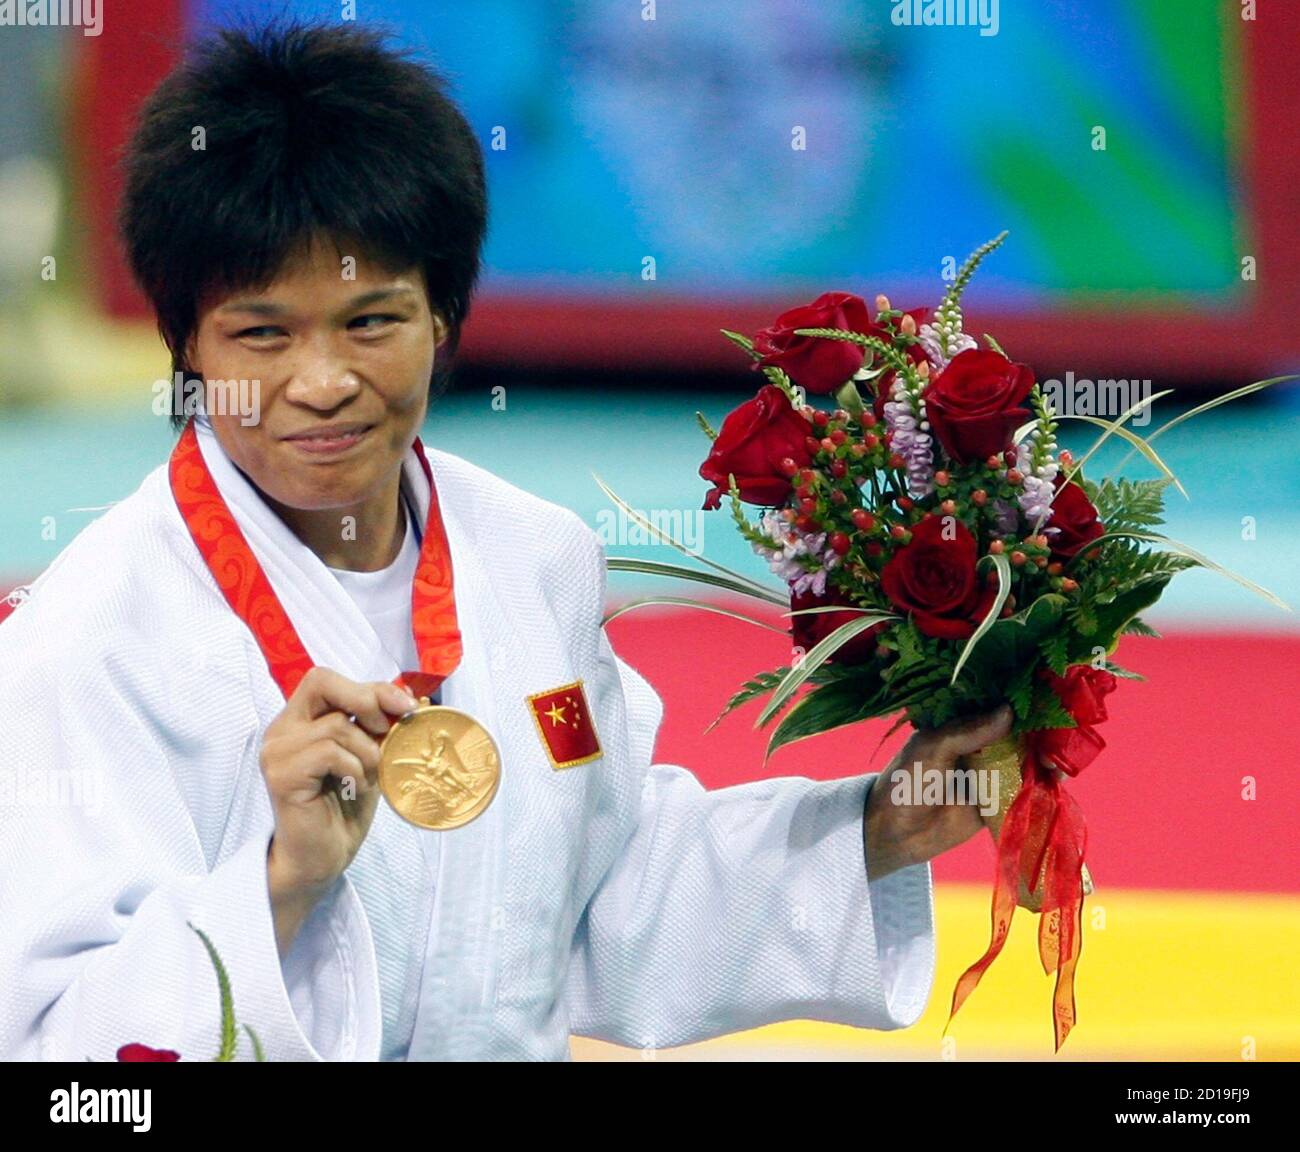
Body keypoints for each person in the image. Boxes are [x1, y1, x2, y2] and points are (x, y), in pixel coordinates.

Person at [0, 20, 1010, 1062]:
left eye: (370, 322)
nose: (322, 381)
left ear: (444, 320)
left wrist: (885, 825)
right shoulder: (90, 642)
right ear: (186, 345)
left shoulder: (533, 558)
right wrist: (276, 883)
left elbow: (605, 893)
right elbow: (48, 1045)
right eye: (263, 334)